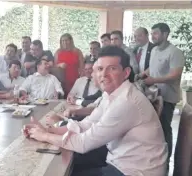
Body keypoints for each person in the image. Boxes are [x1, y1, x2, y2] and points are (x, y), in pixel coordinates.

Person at [26, 46, 168, 176]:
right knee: (67, 161)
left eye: (112, 68)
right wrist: (50, 130)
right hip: (119, 160)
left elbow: (84, 143)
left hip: (134, 171)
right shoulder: (111, 94)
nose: (104, 74)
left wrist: (44, 136)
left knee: (63, 169)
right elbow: (87, 124)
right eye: (100, 69)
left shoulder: (126, 101)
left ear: (126, 73)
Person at [142, 23, 185, 171]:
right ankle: (154, 158)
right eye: (152, 33)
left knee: (165, 129)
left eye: (155, 33)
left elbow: (175, 74)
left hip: (167, 98)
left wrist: (153, 80)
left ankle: (165, 162)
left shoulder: (175, 52)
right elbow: (153, 68)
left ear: (165, 34)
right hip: (152, 95)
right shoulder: (154, 50)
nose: (152, 36)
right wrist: (143, 74)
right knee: (154, 128)